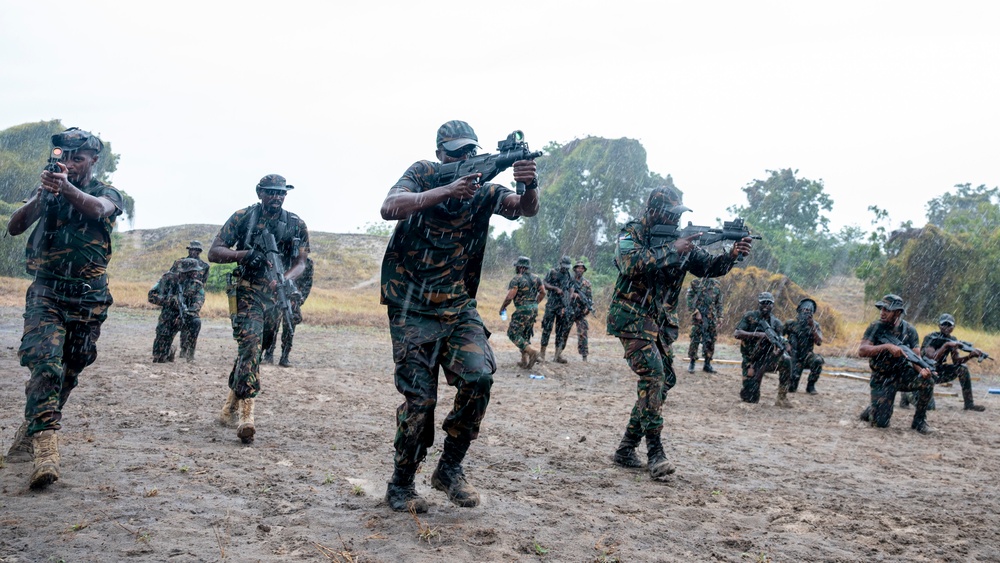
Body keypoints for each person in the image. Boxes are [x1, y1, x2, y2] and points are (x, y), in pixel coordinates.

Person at [379, 120, 539, 513]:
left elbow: (523, 209)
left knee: (479, 376)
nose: (464, 159)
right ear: (441, 155)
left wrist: (528, 184)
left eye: (471, 153)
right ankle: (401, 483)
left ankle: (449, 468)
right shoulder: (424, 173)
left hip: (457, 303)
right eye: (456, 153)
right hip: (410, 305)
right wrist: (447, 189)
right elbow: (389, 207)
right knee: (421, 402)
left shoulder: (484, 192)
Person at [4, 127, 125, 489]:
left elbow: (98, 209)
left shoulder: (106, 192)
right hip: (47, 293)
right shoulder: (47, 189)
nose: (70, 164)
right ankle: (46, 451)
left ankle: (34, 422)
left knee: (70, 370)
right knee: (44, 363)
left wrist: (66, 189)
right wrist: (43, 196)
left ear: (93, 160)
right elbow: (15, 226)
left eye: (78, 158)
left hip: (89, 297)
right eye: (65, 157)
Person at [607, 186, 752, 480]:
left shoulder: (680, 241)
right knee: (654, 376)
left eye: (678, 215)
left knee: (664, 381)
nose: (674, 220)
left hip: (658, 323)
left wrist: (732, 254)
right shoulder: (631, 235)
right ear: (653, 212)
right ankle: (655, 452)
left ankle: (626, 448)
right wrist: (674, 249)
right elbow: (631, 264)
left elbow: (709, 267)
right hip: (631, 318)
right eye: (669, 214)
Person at [207, 174, 309, 444]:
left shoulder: (296, 223)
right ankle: (246, 417)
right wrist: (243, 255)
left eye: (281, 193)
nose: (277, 197)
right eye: (271, 192)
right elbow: (214, 252)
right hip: (247, 292)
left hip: (275, 297)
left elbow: (302, 263)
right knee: (250, 347)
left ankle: (230, 404)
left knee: (252, 351)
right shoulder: (243, 217)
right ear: (260, 192)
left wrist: (285, 279)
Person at [856, 294, 935, 434]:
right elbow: (862, 350)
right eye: (881, 309)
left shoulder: (909, 330)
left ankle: (919, 421)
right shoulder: (876, 327)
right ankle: (873, 409)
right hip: (882, 378)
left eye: (887, 310)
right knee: (880, 424)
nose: (882, 312)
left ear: (898, 312)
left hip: (902, 374)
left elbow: (916, 357)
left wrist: (922, 371)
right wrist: (886, 347)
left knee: (927, 381)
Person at [915, 313, 986, 412]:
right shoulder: (931, 338)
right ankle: (906, 396)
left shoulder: (952, 340)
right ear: (939, 325)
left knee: (962, 369)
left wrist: (970, 356)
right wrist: (946, 345)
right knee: (929, 407)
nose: (946, 327)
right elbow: (931, 359)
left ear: (953, 327)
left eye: (949, 325)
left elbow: (956, 361)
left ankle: (969, 404)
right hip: (924, 372)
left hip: (938, 371)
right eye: (944, 324)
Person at [734, 292, 793, 407]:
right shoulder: (750, 316)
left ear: (772, 305)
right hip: (751, 360)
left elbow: (780, 339)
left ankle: (782, 397)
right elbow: (737, 333)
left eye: (769, 303)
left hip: (767, 359)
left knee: (786, 361)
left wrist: (781, 349)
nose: (766, 305)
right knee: (750, 399)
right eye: (763, 303)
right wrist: (758, 335)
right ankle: (751, 388)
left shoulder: (776, 323)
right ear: (759, 304)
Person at [149, 259, 206, 363]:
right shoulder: (167, 279)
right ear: (185, 272)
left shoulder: (197, 285)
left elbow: (198, 302)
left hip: (187, 315)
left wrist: (186, 313)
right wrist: (169, 300)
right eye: (193, 271)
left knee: (196, 322)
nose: (196, 273)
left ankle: (189, 352)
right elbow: (151, 296)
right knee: (159, 358)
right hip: (168, 316)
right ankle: (170, 350)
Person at [263, 256, 314, 367]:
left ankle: (285, 357)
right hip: (277, 298)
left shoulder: (306, 263)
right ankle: (268, 354)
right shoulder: (279, 258)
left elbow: (307, 284)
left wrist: (299, 299)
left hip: (293, 300)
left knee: (289, 329)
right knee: (272, 327)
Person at [500, 256, 545, 369]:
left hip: (522, 309)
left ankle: (532, 352)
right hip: (533, 309)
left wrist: (503, 307)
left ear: (520, 267)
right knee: (525, 333)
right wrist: (534, 303)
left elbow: (510, 296)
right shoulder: (536, 278)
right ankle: (524, 360)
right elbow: (543, 292)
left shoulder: (517, 279)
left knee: (513, 333)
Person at [783, 297, 825, 394]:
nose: (806, 312)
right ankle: (789, 382)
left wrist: (812, 327)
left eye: (809, 311)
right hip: (792, 356)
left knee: (818, 361)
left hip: (807, 355)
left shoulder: (815, 325)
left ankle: (810, 386)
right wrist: (786, 344)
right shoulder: (791, 323)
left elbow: (819, 342)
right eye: (805, 310)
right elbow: (779, 336)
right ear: (799, 310)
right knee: (792, 388)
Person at [539, 255, 576, 363]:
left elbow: (571, 287)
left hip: (563, 306)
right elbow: (544, 283)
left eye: (567, 267)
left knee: (561, 331)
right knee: (547, 329)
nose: (566, 269)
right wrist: (555, 288)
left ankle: (557, 355)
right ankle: (542, 355)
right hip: (551, 305)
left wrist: (569, 296)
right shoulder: (552, 272)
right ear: (560, 264)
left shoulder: (569, 275)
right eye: (564, 266)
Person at [685, 277, 723, 373]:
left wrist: (720, 317)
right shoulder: (695, 282)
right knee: (695, 339)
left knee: (710, 340)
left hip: (711, 317)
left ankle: (707, 364)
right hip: (699, 317)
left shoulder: (716, 284)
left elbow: (719, 302)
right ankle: (692, 363)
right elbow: (689, 297)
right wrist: (695, 311)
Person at [570, 260, 594, 362]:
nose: (580, 269)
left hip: (580, 312)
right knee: (563, 332)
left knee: (583, 334)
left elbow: (589, 298)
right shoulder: (570, 280)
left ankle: (584, 356)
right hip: (570, 310)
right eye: (578, 267)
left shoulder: (587, 283)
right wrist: (574, 295)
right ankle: (558, 353)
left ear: (584, 270)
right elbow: (565, 293)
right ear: (575, 269)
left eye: (582, 268)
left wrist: (587, 309)